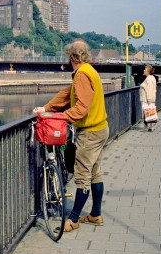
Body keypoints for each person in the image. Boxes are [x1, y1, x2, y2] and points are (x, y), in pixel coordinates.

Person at [33, 40, 109, 232]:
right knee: (95, 172)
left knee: (82, 176)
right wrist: (48, 108)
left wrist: (59, 116)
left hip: (90, 132)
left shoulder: (82, 74)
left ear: (71, 56)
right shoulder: (88, 71)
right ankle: (95, 214)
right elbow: (68, 94)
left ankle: (73, 219)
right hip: (101, 128)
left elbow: (81, 108)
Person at [139, 64, 157, 131]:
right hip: (152, 98)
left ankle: (145, 127)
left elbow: (148, 89)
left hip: (146, 99)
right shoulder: (152, 78)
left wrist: (148, 99)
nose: (144, 70)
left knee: (146, 112)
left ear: (148, 72)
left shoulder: (148, 79)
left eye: (145, 70)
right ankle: (151, 126)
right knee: (150, 112)